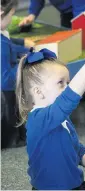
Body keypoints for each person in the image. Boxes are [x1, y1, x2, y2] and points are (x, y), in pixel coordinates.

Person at [15, 32, 85, 189]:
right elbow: (69, 98)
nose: (67, 87)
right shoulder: (38, 119)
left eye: (68, 82)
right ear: (38, 92)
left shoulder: (62, 118)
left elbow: (79, 153)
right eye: (61, 83)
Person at [19, 0, 85, 101]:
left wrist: (77, 32)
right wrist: (32, 14)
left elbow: (81, 10)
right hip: (66, 12)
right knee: (68, 47)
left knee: (83, 47)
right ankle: (70, 83)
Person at [1, 0, 35, 149]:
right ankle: (15, 139)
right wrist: (25, 64)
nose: (10, 20)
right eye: (11, 15)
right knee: (13, 111)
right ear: (2, 14)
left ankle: (21, 135)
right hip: (6, 89)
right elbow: (5, 78)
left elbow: (8, 42)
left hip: (7, 87)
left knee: (16, 110)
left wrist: (24, 45)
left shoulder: (2, 37)